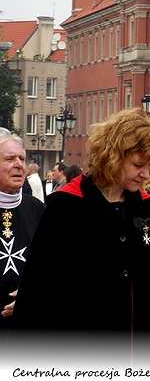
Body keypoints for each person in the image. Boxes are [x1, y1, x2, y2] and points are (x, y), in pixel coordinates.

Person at [11, 109, 150, 367]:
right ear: (113, 157)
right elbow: (37, 287)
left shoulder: (147, 207)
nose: (145, 174)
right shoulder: (66, 206)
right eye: (138, 165)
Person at [0, 129, 44, 356]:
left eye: (22, 159)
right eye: (9, 159)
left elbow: (52, 266)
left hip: (27, 331)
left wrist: (31, 297)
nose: (19, 165)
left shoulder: (37, 208)